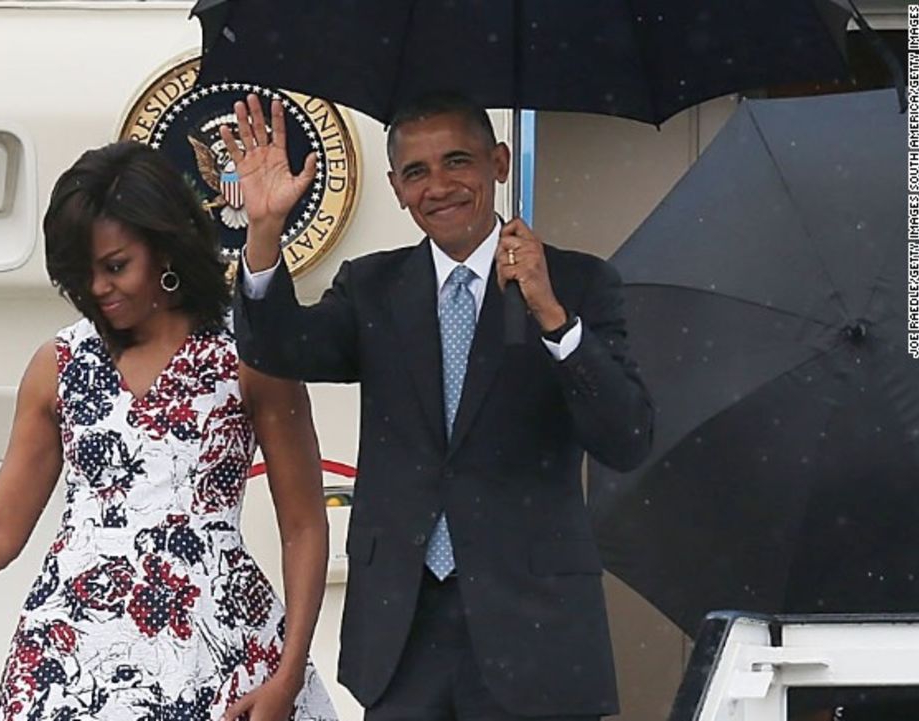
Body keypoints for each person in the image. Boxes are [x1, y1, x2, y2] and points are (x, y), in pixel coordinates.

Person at [0, 141, 339, 721]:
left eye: (115, 266)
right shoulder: (57, 365)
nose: (99, 288)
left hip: (218, 655)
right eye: (83, 273)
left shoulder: (248, 352)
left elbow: (303, 526)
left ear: (165, 248)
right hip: (69, 663)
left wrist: (288, 673)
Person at [226, 92, 655, 721]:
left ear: (498, 163)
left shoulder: (579, 282)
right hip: (403, 631)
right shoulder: (371, 287)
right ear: (397, 188)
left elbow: (627, 436)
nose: (440, 186)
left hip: (533, 630)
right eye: (417, 172)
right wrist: (264, 231)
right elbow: (277, 346)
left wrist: (553, 316)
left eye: (458, 162)